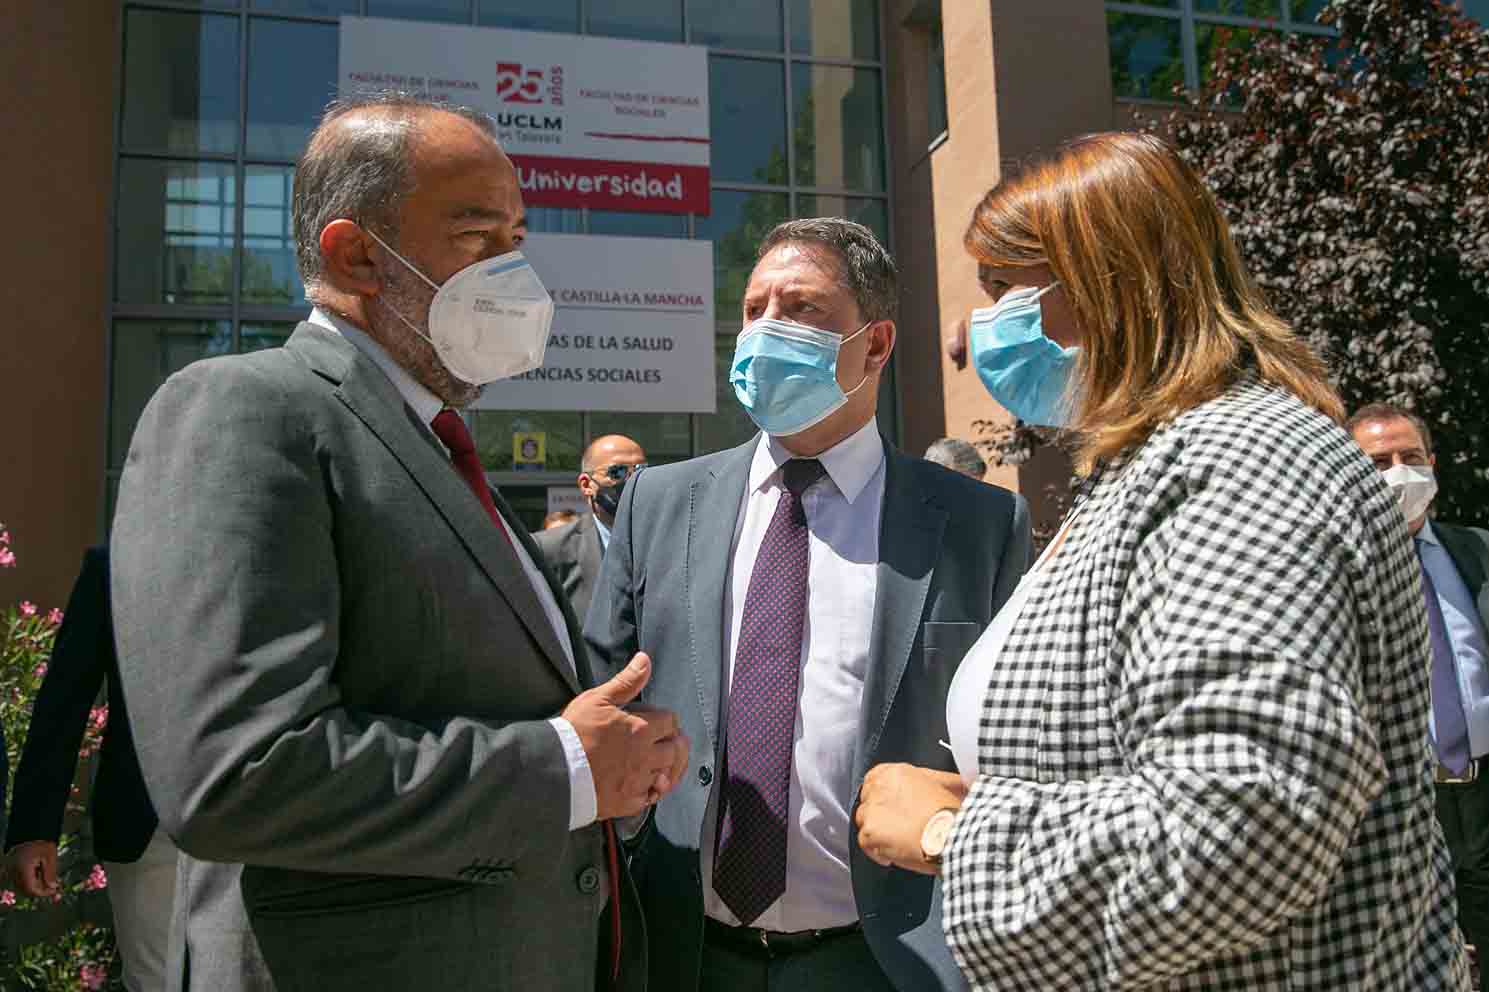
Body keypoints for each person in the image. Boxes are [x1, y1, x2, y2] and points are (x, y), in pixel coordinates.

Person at [853, 132, 1468, 990]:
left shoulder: (1240, 460)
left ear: (1108, 285)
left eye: (1003, 289)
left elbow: (1247, 823)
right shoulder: (1151, 466)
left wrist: (952, 836)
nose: (979, 324)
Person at [109, 93, 687, 992]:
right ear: (355, 255)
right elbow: (237, 775)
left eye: (519, 240)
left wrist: (623, 770)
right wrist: (567, 766)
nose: (515, 272)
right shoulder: (246, 411)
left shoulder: (437, 448)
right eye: (477, 237)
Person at [585, 217, 1032, 992]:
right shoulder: (659, 504)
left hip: (885, 955)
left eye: (800, 309)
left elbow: (1015, 738)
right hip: (682, 952)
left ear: (877, 344)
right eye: (753, 308)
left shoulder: (976, 523)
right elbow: (602, 702)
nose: (763, 330)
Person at [1349, 402, 1489, 955]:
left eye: (1410, 457)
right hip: (1399, 797)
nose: (1398, 472)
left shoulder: (1476, 548)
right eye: (1380, 461)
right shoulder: (1339, 565)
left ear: (1432, 463)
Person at [6, 547, 173, 992]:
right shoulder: (115, 563)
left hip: (252, 816)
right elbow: (65, 697)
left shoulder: (276, 550)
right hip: (146, 820)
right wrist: (34, 828)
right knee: (155, 981)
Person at [534, 434, 647, 620]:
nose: (632, 480)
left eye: (641, 470)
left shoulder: (671, 543)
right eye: (617, 472)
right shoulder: (549, 549)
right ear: (586, 485)